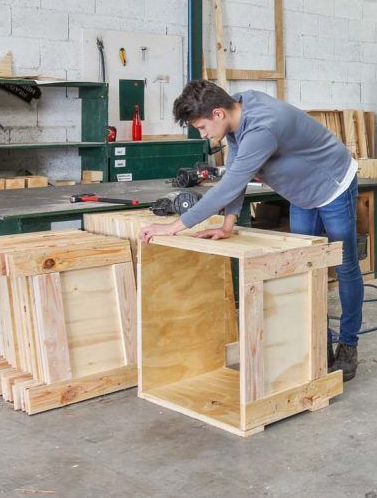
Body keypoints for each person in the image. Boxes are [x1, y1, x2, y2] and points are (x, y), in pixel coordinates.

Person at [140, 81, 363, 381]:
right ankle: (319, 340)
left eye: (203, 127)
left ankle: (348, 344)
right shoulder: (240, 107)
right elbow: (235, 169)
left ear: (218, 113)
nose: (204, 135)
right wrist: (228, 223)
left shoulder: (263, 128)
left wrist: (174, 227)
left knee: (344, 264)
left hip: (333, 183)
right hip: (301, 193)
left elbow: (230, 184)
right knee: (304, 266)